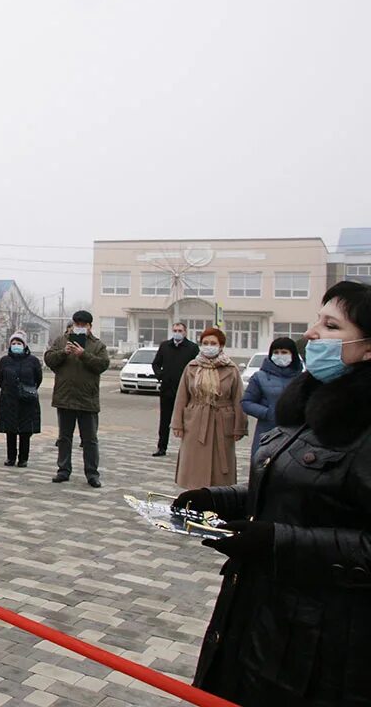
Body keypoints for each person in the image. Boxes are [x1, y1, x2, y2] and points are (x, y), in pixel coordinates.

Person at [174, 281, 371, 705]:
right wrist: (218, 498)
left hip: (323, 640)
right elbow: (292, 490)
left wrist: (276, 541)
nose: (312, 333)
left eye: (331, 325)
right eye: (318, 319)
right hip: (255, 610)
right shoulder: (310, 404)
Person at [171, 327, 246, 490]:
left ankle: (218, 499)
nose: (208, 346)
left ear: (221, 345)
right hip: (195, 420)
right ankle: (195, 496)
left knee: (220, 468)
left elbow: (238, 399)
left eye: (213, 343)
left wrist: (239, 427)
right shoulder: (192, 367)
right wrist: (177, 424)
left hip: (222, 420)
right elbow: (182, 397)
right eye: (205, 343)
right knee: (193, 464)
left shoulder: (231, 369)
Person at [45, 310, 110, 488]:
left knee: (89, 440)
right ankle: (63, 470)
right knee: (64, 438)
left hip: (87, 400)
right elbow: (49, 359)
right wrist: (63, 353)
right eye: (77, 324)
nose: (80, 328)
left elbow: (102, 365)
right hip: (65, 398)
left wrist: (83, 354)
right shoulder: (61, 341)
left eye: (84, 325)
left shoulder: (98, 345)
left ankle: (92, 473)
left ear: (90, 327)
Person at [241, 337, 304, 466]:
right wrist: (267, 412)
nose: (280, 355)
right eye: (276, 352)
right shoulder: (259, 377)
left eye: (284, 352)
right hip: (267, 432)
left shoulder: (302, 378)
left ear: (293, 355)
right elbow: (246, 402)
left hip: (295, 432)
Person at [151, 321, 200, 457]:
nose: (177, 333)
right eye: (175, 330)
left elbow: (196, 368)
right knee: (165, 420)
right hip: (167, 389)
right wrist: (161, 376)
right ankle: (162, 447)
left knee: (186, 420)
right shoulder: (165, 346)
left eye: (180, 331)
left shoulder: (192, 348)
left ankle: (187, 448)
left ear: (185, 332)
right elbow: (155, 364)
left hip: (185, 391)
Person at [0, 330, 42, 468]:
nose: (16, 345)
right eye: (13, 343)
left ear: (25, 345)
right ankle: (11, 457)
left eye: (19, 343)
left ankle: (23, 458)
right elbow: (0, 379)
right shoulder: (5, 360)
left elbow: (38, 379)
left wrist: (26, 390)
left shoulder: (33, 361)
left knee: (25, 431)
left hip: (27, 400)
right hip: (9, 400)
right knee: (10, 430)